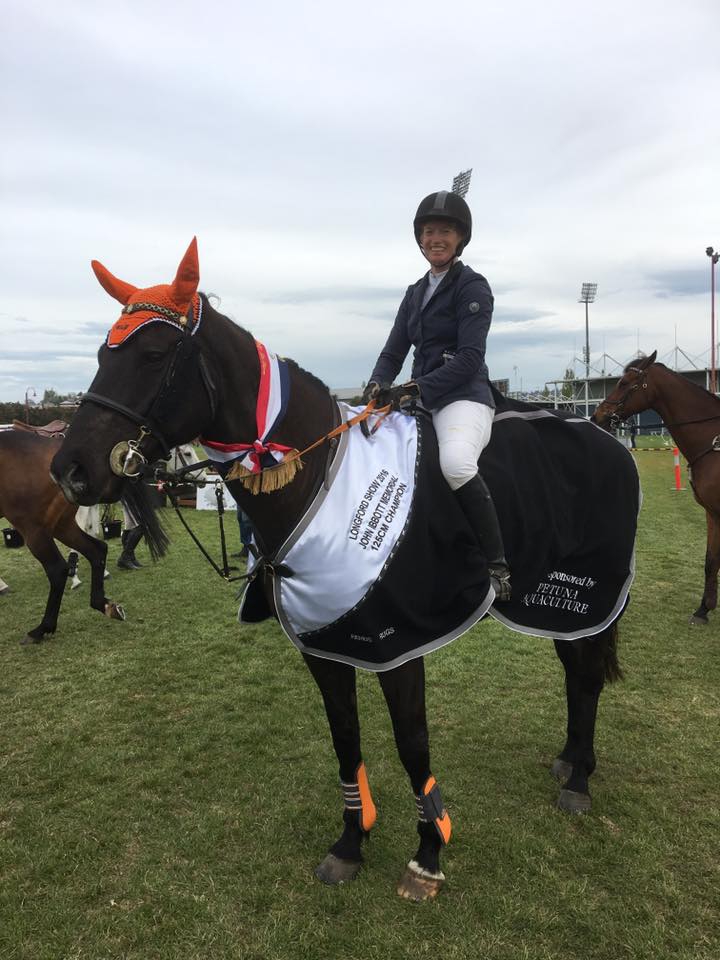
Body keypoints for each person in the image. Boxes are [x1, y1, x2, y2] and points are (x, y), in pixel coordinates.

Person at [362, 189, 511, 600]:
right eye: (428, 232)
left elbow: (468, 358)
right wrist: (378, 384)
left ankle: (497, 565)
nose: (435, 238)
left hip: (463, 397)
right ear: (419, 239)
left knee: (457, 463)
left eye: (444, 231)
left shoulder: (472, 286)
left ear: (460, 238)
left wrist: (414, 389)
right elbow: (393, 351)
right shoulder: (414, 293)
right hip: (419, 398)